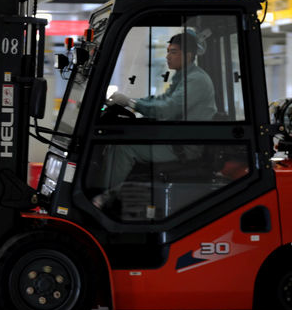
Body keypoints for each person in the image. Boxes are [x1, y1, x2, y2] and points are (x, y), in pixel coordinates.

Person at [92, 31, 216, 211]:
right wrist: (132, 101)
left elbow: (168, 108)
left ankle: (102, 200)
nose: (167, 56)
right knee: (123, 137)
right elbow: (161, 100)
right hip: (175, 138)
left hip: (184, 146)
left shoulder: (195, 80)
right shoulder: (184, 76)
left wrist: (131, 102)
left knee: (123, 147)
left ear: (188, 55)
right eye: (168, 51)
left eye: (173, 52)